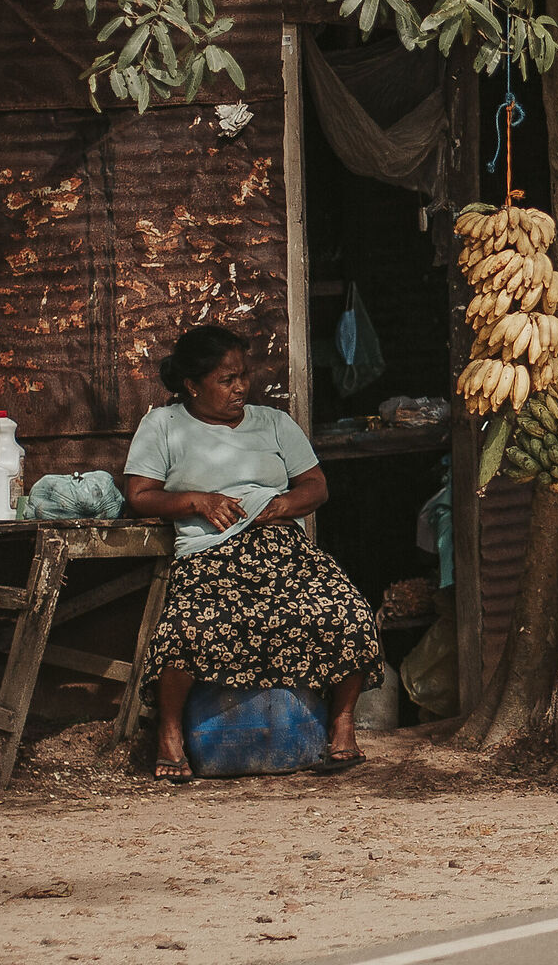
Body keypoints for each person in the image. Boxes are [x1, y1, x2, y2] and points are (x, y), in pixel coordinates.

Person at [124, 325, 381, 781]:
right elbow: (140, 495)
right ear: (192, 385)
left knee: (347, 611)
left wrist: (283, 505)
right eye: (226, 379)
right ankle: (169, 735)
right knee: (188, 627)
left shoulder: (274, 423)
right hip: (210, 552)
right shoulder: (163, 425)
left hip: (283, 547)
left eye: (243, 375)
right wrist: (197, 501)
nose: (240, 387)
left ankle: (341, 725)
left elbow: (316, 486)